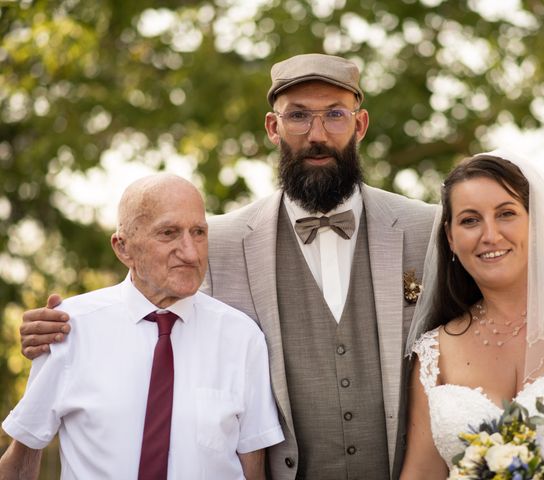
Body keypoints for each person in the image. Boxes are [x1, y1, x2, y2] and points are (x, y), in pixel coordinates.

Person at [17, 54, 439, 479]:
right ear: (273, 128)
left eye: (334, 115)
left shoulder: (426, 229)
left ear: (360, 124)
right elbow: (149, 298)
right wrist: (61, 328)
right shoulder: (215, 240)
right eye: (298, 116)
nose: (317, 134)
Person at [0, 174, 283, 479]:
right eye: (168, 233)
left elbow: (254, 470)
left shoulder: (242, 338)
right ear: (123, 248)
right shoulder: (68, 329)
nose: (190, 252)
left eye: (198, 232)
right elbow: (21, 461)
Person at [399, 151, 544, 479]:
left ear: (536, 223)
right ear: (451, 238)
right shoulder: (434, 353)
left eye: (506, 214)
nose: (490, 235)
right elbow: (421, 473)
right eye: (470, 220)